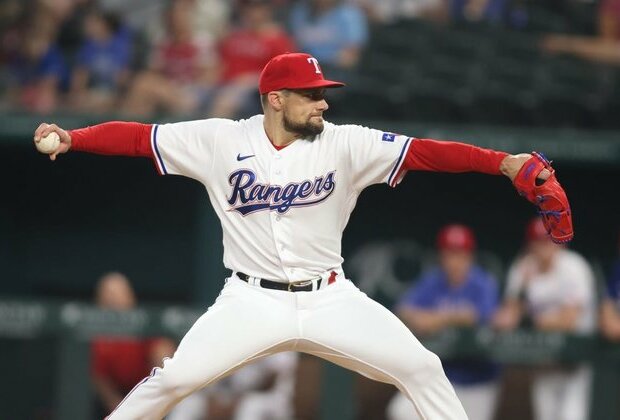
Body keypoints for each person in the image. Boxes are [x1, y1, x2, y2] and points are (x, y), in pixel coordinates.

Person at [34, 51, 553, 420]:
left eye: (324, 94)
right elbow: (137, 137)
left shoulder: (346, 143)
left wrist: (502, 163)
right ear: (275, 99)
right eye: (312, 95)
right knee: (171, 381)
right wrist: (73, 138)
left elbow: (425, 151)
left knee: (422, 367)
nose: (323, 103)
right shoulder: (220, 139)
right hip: (249, 300)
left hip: (331, 296)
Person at [387, 224, 500, 420]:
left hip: (478, 379)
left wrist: (438, 318)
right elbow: (404, 309)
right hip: (442, 377)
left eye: (460, 254)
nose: (454, 261)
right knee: (401, 412)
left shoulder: (483, 283)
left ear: (469, 256)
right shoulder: (434, 281)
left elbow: (479, 316)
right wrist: (425, 318)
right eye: (450, 254)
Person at [493, 217, 596, 420]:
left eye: (548, 241)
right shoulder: (523, 268)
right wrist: (522, 290)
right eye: (538, 241)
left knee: (572, 416)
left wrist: (530, 320)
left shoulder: (574, 266)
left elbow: (568, 321)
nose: (544, 247)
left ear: (560, 242)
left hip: (574, 360)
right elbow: (505, 319)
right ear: (530, 245)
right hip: (543, 360)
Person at [91, 272, 177, 418]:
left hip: (151, 393)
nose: (113, 300)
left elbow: (165, 353)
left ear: (130, 297)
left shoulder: (143, 323)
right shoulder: (95, 333)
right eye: (109, 294)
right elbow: (99, 379)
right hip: (113, 401)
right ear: (99, 300)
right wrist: (119, 409)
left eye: (118, 294)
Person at [168, 352, 298, 420]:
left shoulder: (276, 330)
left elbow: (271, 380)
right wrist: (211, 397)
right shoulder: (229, 331)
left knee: (250, 407)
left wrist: (236, 400)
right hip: (227, 394)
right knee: (188, 403)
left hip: (268, 398)